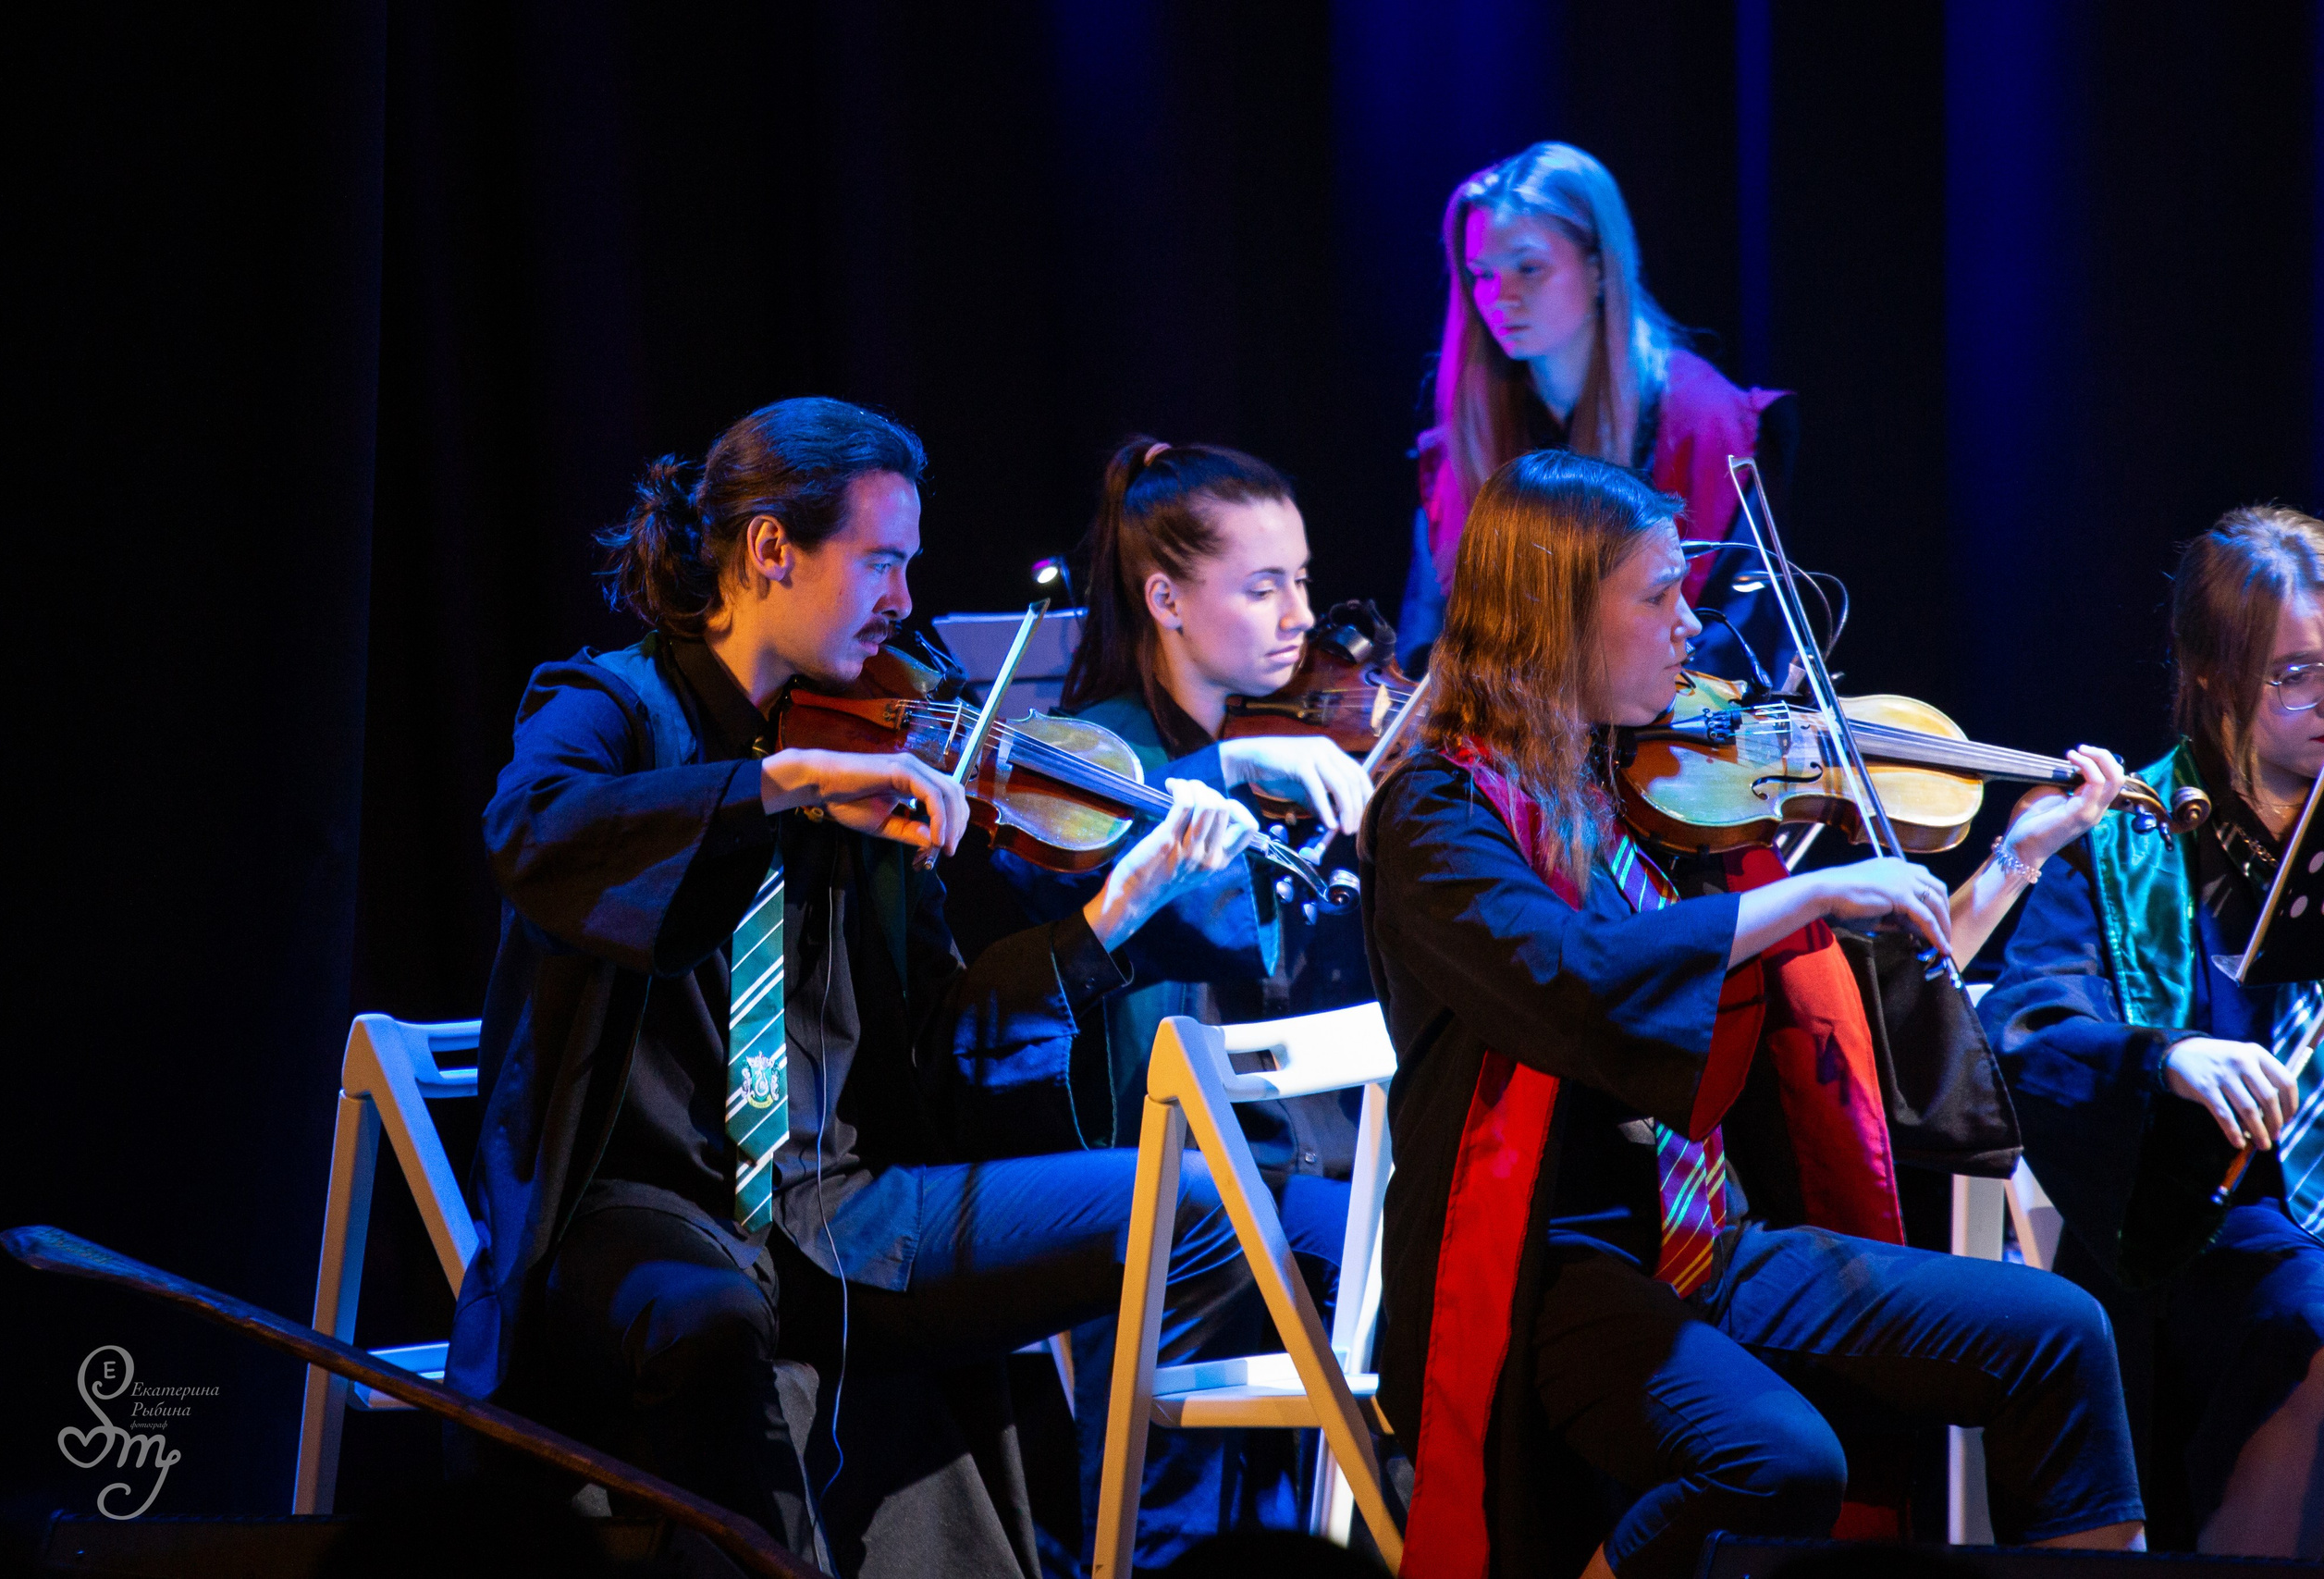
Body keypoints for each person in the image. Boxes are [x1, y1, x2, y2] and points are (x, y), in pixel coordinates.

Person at [446, 397, 1283, 1575]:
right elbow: (531, 835)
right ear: (771, 551)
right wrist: (778, 784)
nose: (904, 601)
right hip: (643, 1206)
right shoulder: (614, 706)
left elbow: (941, 1037)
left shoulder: (885, 740)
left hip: (840, 1207)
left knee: (1201, 1207)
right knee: (712, 1321)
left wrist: (1112, 915)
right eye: (882, 562)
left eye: (909, 566)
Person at [1361, 449, 2146, 1579]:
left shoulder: (1640, 787)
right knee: (1776, 1461)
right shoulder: (1437, 815)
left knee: (2058, 1337)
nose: (1689, 627)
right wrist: (1811, 888)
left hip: (1704, 1245)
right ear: (1557, 612)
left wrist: (2012, 860)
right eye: (1656, 595)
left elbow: (1847, 1026)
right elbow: (1572, 972)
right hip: (1551, 1270)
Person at [993, 437, 1377, 1536]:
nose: (1300, 616)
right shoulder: (1099, 757)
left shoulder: (1258, 736)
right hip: (1158, 1192)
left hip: (1266, 1166)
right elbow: (1077, 889)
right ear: (1164, 598)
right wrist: (1225, 774)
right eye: (1262, 588)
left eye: (1301, 580)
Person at [1980, 505, 2324, 1558]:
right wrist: (2168, 1058)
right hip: (2204, 1230)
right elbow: (2026, 1026)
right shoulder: (2127, 833)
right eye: (2293, 674)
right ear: (2213, 675)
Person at [1397, 141, 1791, 685]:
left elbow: (1738, 643)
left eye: (1529, 268)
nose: (1497, 297)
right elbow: (1432, 647)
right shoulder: (1463, 438)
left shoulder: (1711, 425)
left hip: (1679, 742)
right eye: (1480, 274)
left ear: (1600, 267)